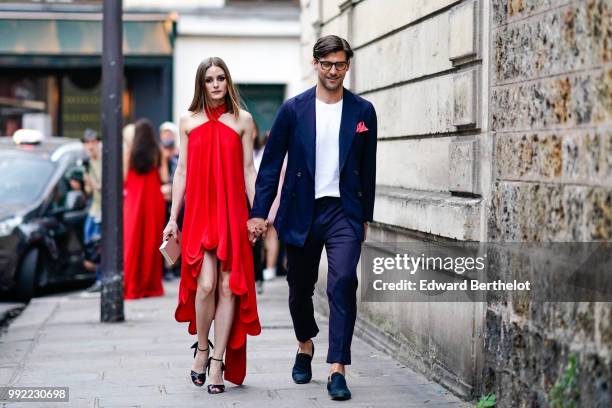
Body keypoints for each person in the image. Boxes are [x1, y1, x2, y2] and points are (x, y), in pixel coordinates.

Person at [248, 35, 378, 401]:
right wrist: (259, 212)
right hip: (302, 209)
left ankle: (338, 367)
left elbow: (368, 167)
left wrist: (364, 214)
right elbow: (271, 166)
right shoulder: (293, 109)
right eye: (327, 64)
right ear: (315, 64)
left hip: (343, 212)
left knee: (342, 282)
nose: (333, 70)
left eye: (339, 64)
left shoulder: (363, 111)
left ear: (348, 65)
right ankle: (305, 345)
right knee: (298, 290)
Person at [163, 57, 261, 394]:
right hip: (201, 213)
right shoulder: (187, 121)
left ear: (228, 81)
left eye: (221, 78)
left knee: (228, 286)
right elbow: (182, 172)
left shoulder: (244, 120)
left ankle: (218, 362)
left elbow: (249, 169)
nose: (216, 84)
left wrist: (258, 213)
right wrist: (173, 218)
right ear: (201, 84)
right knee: (204, 285)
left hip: (233, 212)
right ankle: (202, 348)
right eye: (209, 79)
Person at [122, 119, 168, 299]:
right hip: (153, 200)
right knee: (151, 242)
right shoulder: (159, 152)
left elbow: (125, 178)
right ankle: (150, 285)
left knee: (132, 242)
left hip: (133, 200)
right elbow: (164, 177)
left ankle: (132, 284)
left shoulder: (129, 153)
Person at [82, 128, 103, 293]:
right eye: (87, 143)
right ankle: (97, 278)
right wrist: (86, 183)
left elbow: (103, 187)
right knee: (90, 241)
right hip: (94, 208)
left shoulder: (103, 161)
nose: (90, 146)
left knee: (98, 244)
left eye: (92, 142)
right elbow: (89, 191)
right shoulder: (86, 163)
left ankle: (101, 279)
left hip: (103, 210)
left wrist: (92, 183)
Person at [159, 121, 181, 281]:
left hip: (179, 198)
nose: (167, 137)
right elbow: (163, 177)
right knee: (166, 234)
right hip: (164, 199)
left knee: (179, 232)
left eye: (170, 134)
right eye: (164, 134)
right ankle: (168, 266)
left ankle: (176, 265)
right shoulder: (159, 154)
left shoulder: (180, 152)